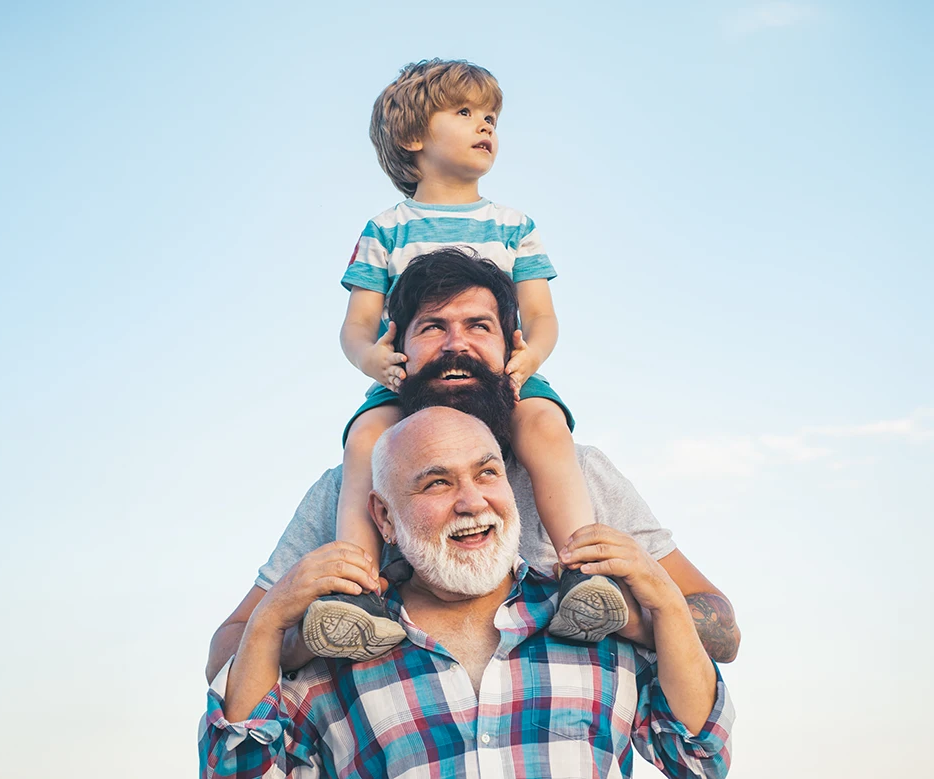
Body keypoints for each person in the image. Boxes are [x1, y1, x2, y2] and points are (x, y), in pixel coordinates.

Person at [206, 248, 741, 681]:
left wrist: (639, 613)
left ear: (512, 346)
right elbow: (223, 658)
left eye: (478, 326)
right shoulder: (347, 489)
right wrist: (300, 632)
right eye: (432, 327)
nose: (456, 344)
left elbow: (724, 632)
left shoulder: (581, 475)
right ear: (399, 351)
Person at [200, 407, 734, 778]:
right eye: (437, 483)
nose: (472, 501)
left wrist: (663, 599)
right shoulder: (334, 656)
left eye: (488, 474)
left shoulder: (596, 623)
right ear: (383, 517)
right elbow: (235, 771)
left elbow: (699, 759)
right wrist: (269, 619)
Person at [319, 57, 629, 659]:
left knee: (545, 425)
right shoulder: (386, 228)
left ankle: (582, 575)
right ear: (413, 137)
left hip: (502, 374)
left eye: (490, 116)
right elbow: (357, 326)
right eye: (464, 113)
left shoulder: (515, 225)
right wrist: (371, 363)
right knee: (365, 440)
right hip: (410, 379)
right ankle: (356, 595)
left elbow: (541, 316)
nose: (485, 125)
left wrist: (530, 357)